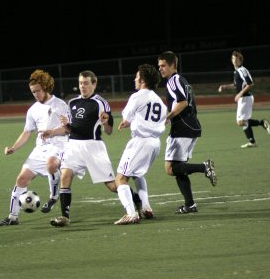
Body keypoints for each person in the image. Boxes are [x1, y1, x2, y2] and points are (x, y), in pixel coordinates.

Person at [39, 70, 118, 227]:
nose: (83, 86)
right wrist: (52, 132)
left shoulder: (100, 102)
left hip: (93, 147)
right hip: (74, 145)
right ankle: (64, 216)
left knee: (112, 186)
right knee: (65, 176)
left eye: (86, 83)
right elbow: (69, 129)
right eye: (81, 83)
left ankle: (137, 202)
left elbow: (109, 131)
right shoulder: (72, 103)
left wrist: (106, 122)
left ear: (94, 84)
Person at [0, 69, 69, 226]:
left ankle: (54, 196)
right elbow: (27, 132)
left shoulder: (60, 105)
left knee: (51, 164)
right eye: (33, 92)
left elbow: (68, 129)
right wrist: (13, 148)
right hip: (40, 149)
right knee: (21, 179)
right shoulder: (33, 110)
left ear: (46, 87)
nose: (36, 95)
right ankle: (12, 217)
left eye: (38, 91)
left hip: (59, 145)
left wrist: (52, 132)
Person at [158, 51, 217, 214]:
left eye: (163, 66)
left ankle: (204, 167)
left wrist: (168, 117)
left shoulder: (173, 81)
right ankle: (190, 205)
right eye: (159, 66)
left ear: (172, 65)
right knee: (179, 167)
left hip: (182, 128)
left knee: (170, 168)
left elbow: (183, 102)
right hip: (190, 126)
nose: (160, 69)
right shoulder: (182, 80)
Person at [114, 64, 167, 225]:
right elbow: (151, 118)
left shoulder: (137, 96)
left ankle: (131, 213)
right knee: (137, 174)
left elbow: (127, 116)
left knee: (120, 179)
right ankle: (146, 207)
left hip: (141, 142)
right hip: (155, 143)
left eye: (137, 77)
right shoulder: (159, 101)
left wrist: (126, 122)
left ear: (143, 80)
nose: (135, 79)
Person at [217, 50, 270, 148]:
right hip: (244, 98)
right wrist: (224, 86)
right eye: (233, 59)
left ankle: (262, 123)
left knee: (241, 121)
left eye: (237, 60)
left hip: (245, 98)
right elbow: (235, 85)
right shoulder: (236, 71)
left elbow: (250, 84)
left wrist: (240, 94)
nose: (234, 61)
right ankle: (252, 141)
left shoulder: (242, 70)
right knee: (244, 121)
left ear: (240, 61)